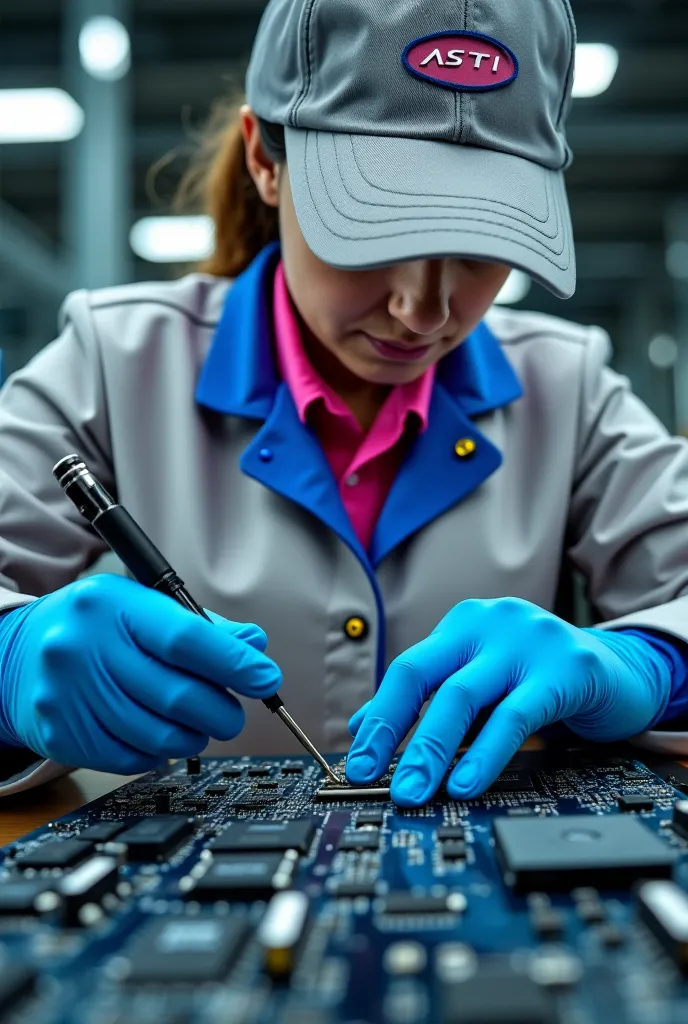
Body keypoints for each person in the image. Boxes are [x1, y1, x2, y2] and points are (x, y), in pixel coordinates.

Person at [0, 0, 687, 802]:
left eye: (480, 246)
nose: (424, 312)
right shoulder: (112, 362)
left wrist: (645, 662)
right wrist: (10, 659)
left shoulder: (570, 389)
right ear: (265, 158)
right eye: (376, 233)